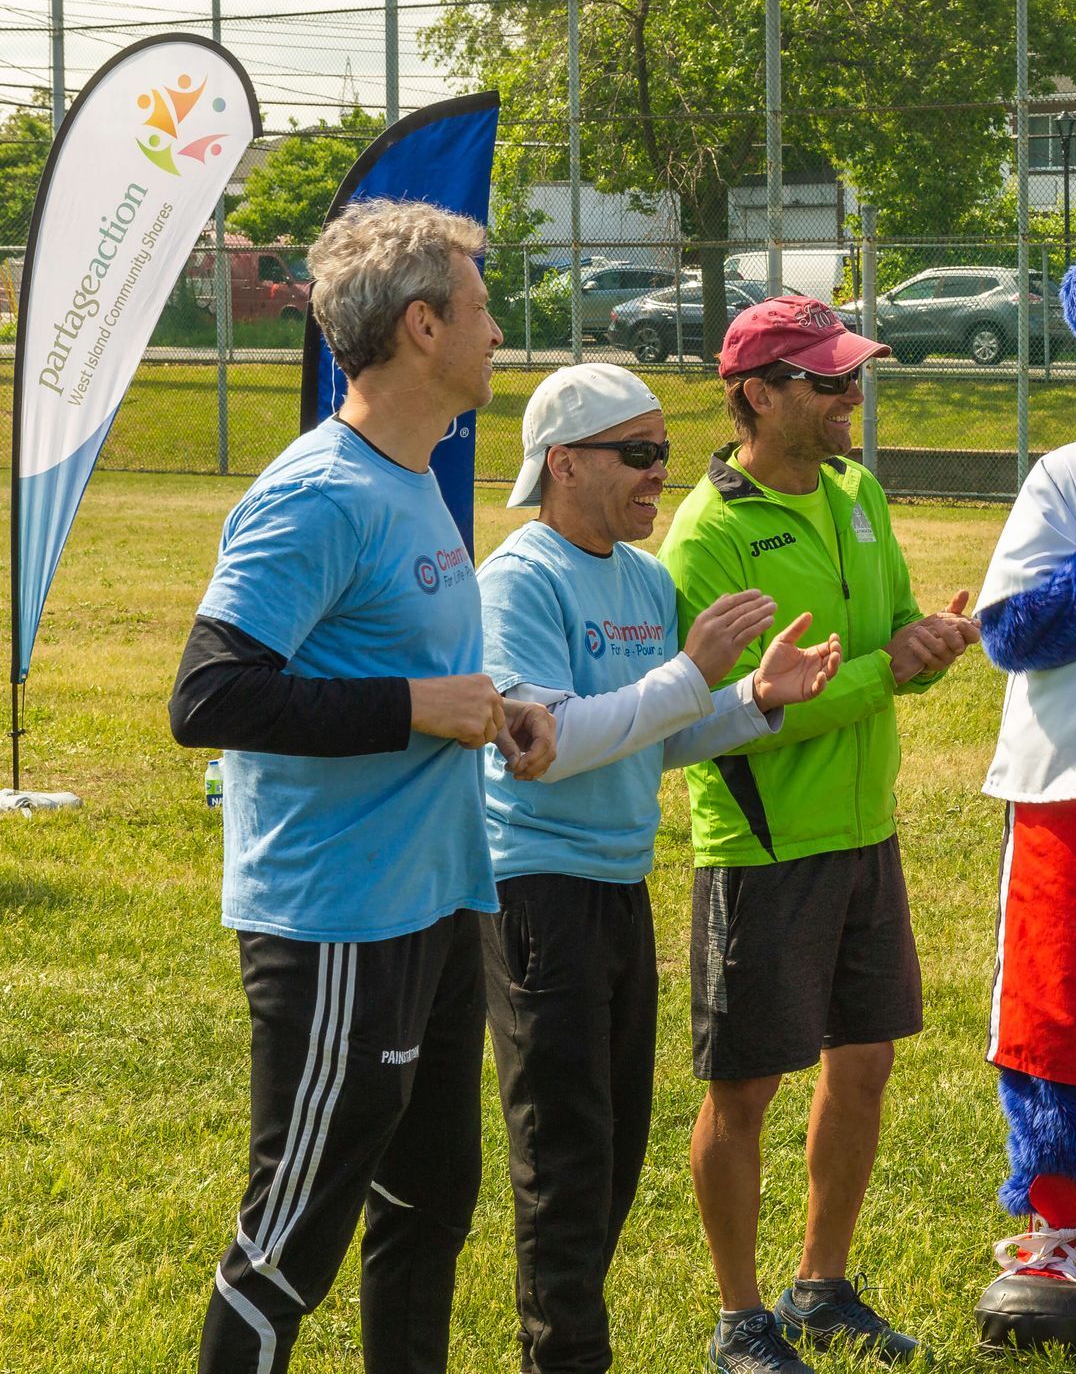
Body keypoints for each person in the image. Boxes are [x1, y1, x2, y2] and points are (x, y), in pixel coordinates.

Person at [168, 197, 556, 1373]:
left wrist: (489, 707)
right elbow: (209, 697)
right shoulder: (318, 493)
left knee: (428, 1211)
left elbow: (398, 668)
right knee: (289, 1244)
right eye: (481, 307)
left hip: (435, 905)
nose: (500, 331)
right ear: (422, 326)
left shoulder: (414, 476)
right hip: (340, 919)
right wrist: (412, 707)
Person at [475, 362, 841, 1374]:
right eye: (637, 454)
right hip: (535, 890)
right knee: (564, 1158)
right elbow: (545, 746)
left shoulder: (642, 580)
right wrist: (690, 674)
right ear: (562, 465)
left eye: (664, 452)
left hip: (618, 886)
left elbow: (651, 733)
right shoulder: (520, 579)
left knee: (616, 1149)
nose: (659, 474)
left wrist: (752, 701)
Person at [657, 295, 978, 1373]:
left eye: (854, 376)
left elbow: (881, 639)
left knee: (866, 1061)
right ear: (757, 394)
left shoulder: (856, 492)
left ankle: (820, 1289)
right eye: (828, 380)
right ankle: (739, 1317)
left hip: (861, 831)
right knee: (744, 1088)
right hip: (763, 849)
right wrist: (888, 669)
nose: (851, 396)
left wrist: (924, 641)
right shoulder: (707, 534)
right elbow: (725, 716)